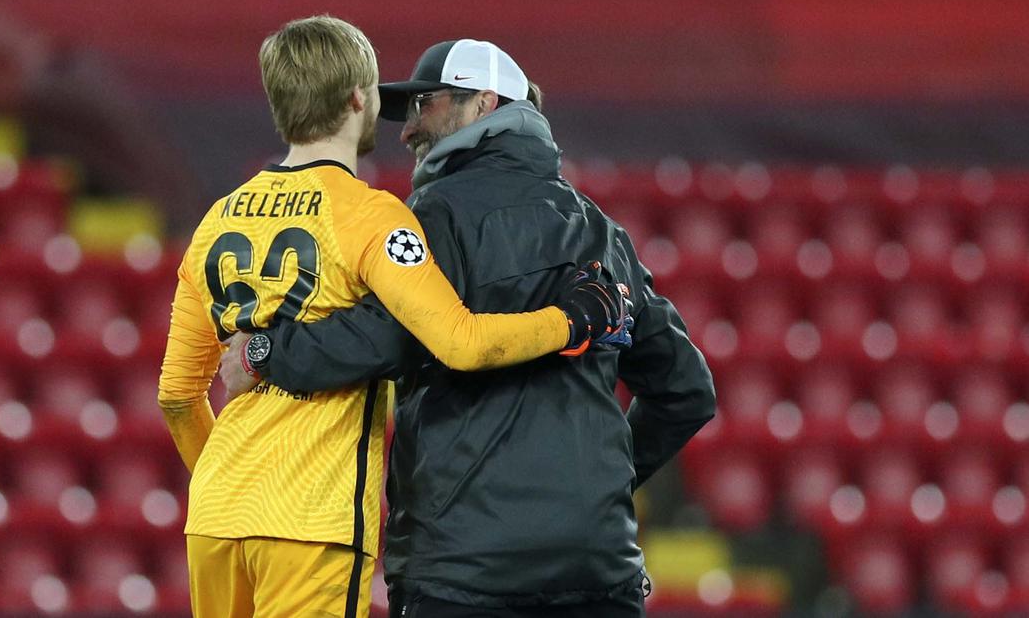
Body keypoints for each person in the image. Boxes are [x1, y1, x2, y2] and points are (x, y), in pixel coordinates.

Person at [219, 39, 717, 617]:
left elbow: (382, 337)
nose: (405, 132)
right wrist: (596, 488)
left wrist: (265, 350)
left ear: (483, 103)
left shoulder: (433, 217)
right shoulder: (600, 232)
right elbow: (686, 391)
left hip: (464, 571)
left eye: (425, 104)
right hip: (597, 569)